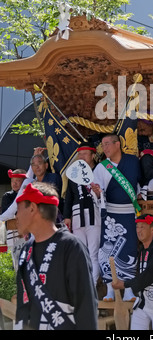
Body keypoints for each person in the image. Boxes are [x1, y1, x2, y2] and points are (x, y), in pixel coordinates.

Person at [15, 182, 98, 330]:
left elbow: (86, 307)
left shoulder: (71, 247)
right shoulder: (25, 252)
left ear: (32, 208)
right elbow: (23, 307)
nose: (16, 216)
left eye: (19, 209)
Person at [92, 133, 140, 302]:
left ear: (117, 144)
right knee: (108, 250)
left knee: (129, 250)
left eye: (107, 144)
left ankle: (128, 290)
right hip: (110, 215)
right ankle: (110, 290)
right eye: (102, 145)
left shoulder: (133, 162)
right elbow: (96, 194)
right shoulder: (100, 167)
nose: (104, 148)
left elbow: (140, 184)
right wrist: (97, 193)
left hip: (129, 212)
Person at [111, 214, 153, 330]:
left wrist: (124, 284)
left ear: (152, 230)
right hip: (143, 304)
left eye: (142, 227)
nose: (139, 231)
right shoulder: (142, 250)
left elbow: (148, 276)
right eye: (137, 227)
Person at [64, 142, 101, 285]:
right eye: (80, 154)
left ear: (93, 155)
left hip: (94, 215)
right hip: (77, 216)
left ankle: (92, 286)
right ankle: (81, 286)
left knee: (93, 253)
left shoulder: (99, 170)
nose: (82, 157)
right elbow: (69, 197)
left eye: (85, 154)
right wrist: (67, 217)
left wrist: (98, 193)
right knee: (81, 252)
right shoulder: (74, 173)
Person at [1, 169, 27, 270]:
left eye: (17, 181)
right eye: (12, 181)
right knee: (16, 261)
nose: (14, 183)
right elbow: (6, 214)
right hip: (13, 232)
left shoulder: (28, 194)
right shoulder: (7, 195)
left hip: (27, 230)